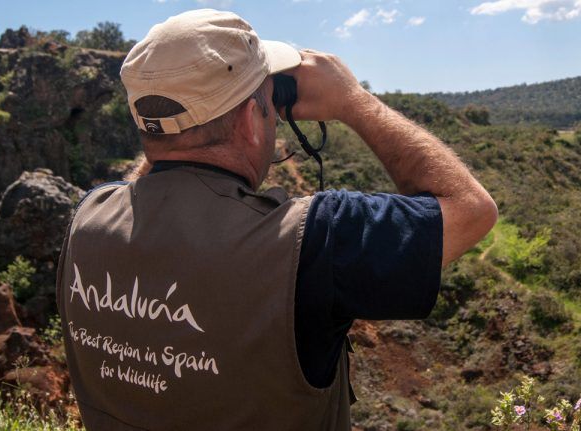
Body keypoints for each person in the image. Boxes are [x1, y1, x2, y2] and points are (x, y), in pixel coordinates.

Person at [56, 8, 497, 431]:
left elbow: (151, 174)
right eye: (267, 103)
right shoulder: (313, 241)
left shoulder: (88, 218)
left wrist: (180, 123)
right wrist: (352, 100)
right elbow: (471, 211)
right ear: (251, 120)